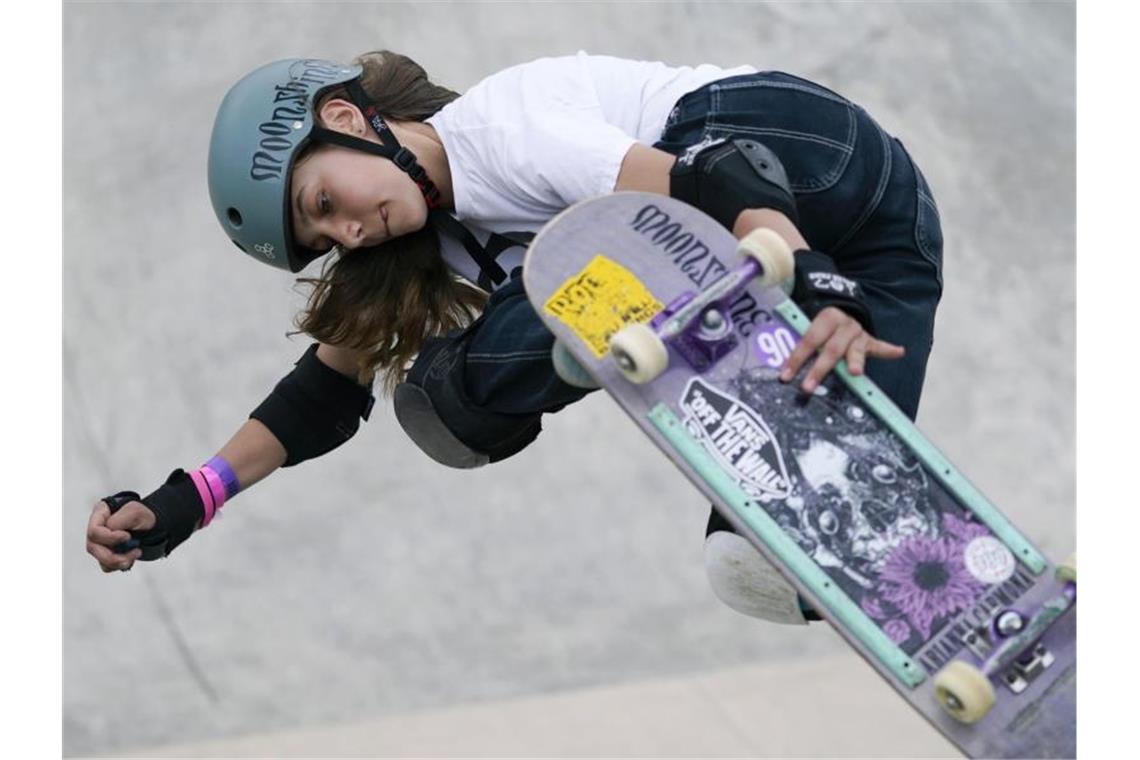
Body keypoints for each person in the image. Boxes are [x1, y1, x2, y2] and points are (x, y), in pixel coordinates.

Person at [85, 51, 943, 627]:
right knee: (778, 560)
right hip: (894, 232)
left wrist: (808, 270)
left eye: (324, 203)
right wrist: (187, 501)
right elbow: (320, 395)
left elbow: (715, 175)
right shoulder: (416, 241)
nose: (348, 233)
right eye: (325, 241)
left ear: (347, 117)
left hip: (791, 151)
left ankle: (585, 327)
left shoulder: (504, 135)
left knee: (453, 387)